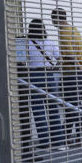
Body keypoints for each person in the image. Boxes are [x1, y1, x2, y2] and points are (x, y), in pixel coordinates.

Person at [22, 18, 64, 154]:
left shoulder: (27, 43)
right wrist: (54, 70)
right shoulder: (50, 43)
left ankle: (45, 142)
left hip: (34, 76)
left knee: (38, 108)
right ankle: (58, 142)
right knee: (53, 108)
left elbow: (22, 60)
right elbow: (60, 60)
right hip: (49, 76)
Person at [52, 7, 82, 146]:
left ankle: (81, 136)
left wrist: (80, 68)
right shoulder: (75, 30)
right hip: (78, 72)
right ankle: (68, 135)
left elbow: (69, 54)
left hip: (71, 73)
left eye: (53, 19)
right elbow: (81, 52)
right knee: (73, 105)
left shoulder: (63, 32)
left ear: (56, 19)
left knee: (72, 105)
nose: (52, 23)